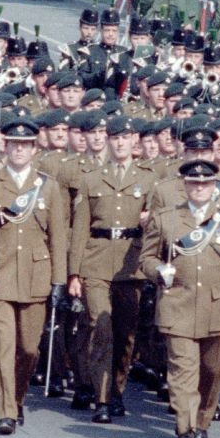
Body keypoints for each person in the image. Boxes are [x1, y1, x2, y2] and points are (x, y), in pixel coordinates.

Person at [139, 159, 220, 438]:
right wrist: (158, 271)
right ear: (185, 185)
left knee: (212, 370)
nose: (200, 188)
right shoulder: (166, 218)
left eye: (206, 183)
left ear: (214, 186)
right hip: (178, 304)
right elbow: (146, 257)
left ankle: (203, 421)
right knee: (183, 372)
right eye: (194, 183)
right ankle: (185, 430)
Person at [0, 118, 69, 435]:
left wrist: (59, 280)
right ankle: (6, 411)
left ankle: (17, 396)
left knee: (28, 349)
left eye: (25, 145)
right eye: (14, 144)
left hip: (36, 276)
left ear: (34, 149)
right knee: (2, 346)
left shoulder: (48, 186)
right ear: (5, 146)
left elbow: (58, 237)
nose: (19, 150)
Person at [68, 116, 159, 421]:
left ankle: (117, 389)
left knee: (126, 333)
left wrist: (151, 218)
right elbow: (80, 228)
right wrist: (73, 273)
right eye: (115, 138)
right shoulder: (92, 178)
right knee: (101, 326)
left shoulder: (148, 179)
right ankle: (102, 397)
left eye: (125, 138)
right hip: (95, 260)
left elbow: (158, 227)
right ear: (108, 140)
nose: (120, 143)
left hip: (130, 264)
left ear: (134, 141)